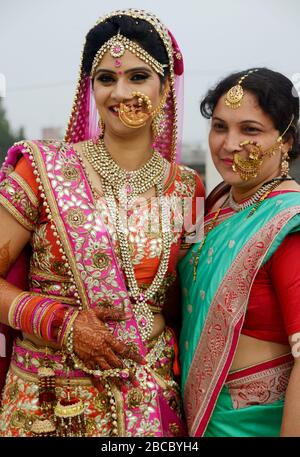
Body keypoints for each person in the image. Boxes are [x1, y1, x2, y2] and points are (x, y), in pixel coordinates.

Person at [0, 9, 205, 437]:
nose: (120, 92)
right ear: (90, 88)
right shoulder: (41, 169)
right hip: (50, 403)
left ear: (165, 88)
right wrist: (58, 320)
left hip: (152, 406)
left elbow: (186, 303)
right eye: (106, 79)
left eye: (137, 76)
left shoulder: (189, 189)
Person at [179, 67, 300, 437]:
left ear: (286, 140)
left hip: (251, 423)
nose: (229, 144)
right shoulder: (210, 202)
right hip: (195, 413)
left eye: (249, 130)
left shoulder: (289, 222)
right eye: (219, 127)